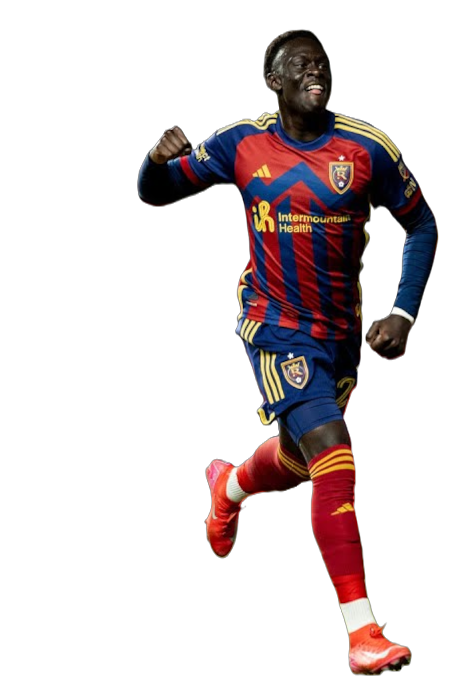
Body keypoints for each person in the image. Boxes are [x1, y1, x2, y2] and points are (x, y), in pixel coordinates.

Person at [137, 29, 438, 676]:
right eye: (300, 66)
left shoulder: (366, 147)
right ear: (274, 82)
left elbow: (422, 222)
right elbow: (157, 192)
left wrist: (403, 313)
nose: (315, 72)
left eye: (322, 63)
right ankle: (362, 633)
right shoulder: (242, 144)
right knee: (334, 451)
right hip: (275, 327)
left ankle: (229, 485)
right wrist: (153, 164)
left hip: (340, 337)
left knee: (301, 462)